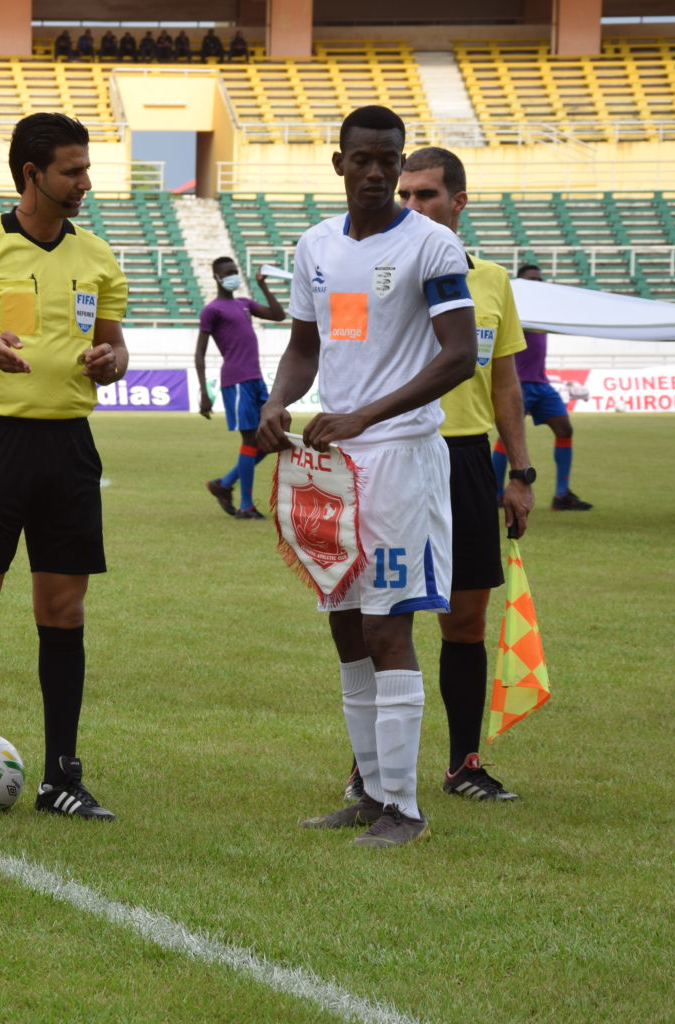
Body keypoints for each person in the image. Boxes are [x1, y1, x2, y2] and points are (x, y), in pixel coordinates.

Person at [256, 106, 476, 848]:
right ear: (340, 163)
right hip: (334, 463)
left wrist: (364, 416)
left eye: (389, 160)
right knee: (346, 624)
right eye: (363, 159)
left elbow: (459, 355)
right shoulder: (316, 245)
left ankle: (405, 810)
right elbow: (305, 346)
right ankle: (372, 792)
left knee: (387, 625)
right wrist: (278, 401)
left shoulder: (432, 245)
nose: (377, 173)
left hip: (400, 458)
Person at [0, 113, 128, 823]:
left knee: (63, 611)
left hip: (70, 447)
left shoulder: (97, 255)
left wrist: (110, 361)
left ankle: (61, 776)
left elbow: (116, 349)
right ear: (32, 174)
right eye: (73, 170)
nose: (85, 182)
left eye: (86, 168)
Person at [393, 146, 534, 801]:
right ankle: (372, 767)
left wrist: (521, 472)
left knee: (466, 621)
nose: (413, 206)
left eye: (426, 194)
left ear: (459, 201)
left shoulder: (493, 281)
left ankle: (463, 766)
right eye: (406, 195)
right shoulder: (381, 271)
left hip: (466, 459)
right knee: (384, 618)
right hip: (394, 454)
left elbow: (505, 383)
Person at [493, 265, 593, 510]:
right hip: (517, 384)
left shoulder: (544, 310)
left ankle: (561, 495)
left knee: (564, 429)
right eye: (531, 279)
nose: (536, 283)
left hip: (541, 383)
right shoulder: (514, 307)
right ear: (519, 283)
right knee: (507, 436)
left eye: (539, 279)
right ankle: (494, 492)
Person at [195, 257, 286, 519]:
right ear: (217, 277)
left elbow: (278, 315)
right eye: (228, 273)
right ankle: (246, 506)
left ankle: (224, 484)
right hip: (235, 382)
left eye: (235, 271)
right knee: (250, 440)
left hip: (256, 379)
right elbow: (200, 353)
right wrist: (204, 392)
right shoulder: (211, 310)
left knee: (272, 439)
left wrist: (263, 286)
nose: (233, 275)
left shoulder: (244, 303)